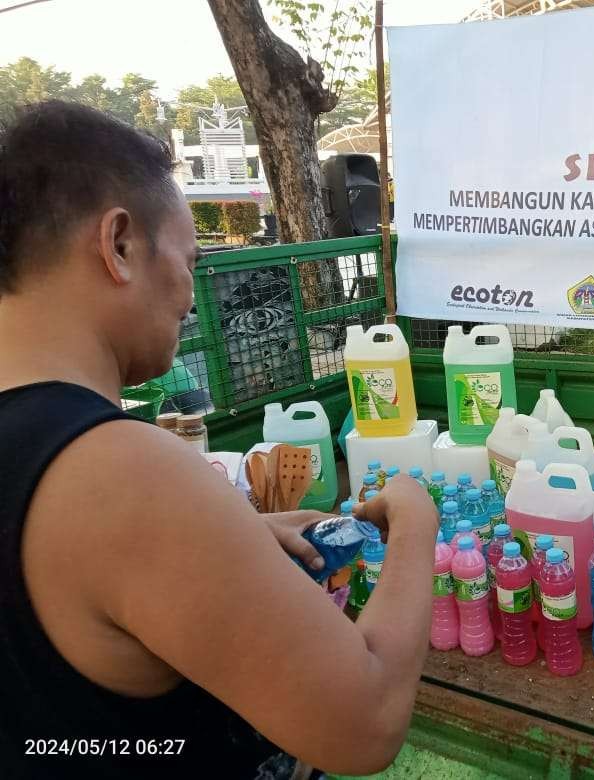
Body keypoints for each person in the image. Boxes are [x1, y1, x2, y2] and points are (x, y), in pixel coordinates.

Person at [0, 101, 439, 778]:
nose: (189, 290)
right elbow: (366, 722)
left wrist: (228, 538)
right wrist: (416, 525)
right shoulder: (117, 470)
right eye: (190, 258)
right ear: (118, 245)